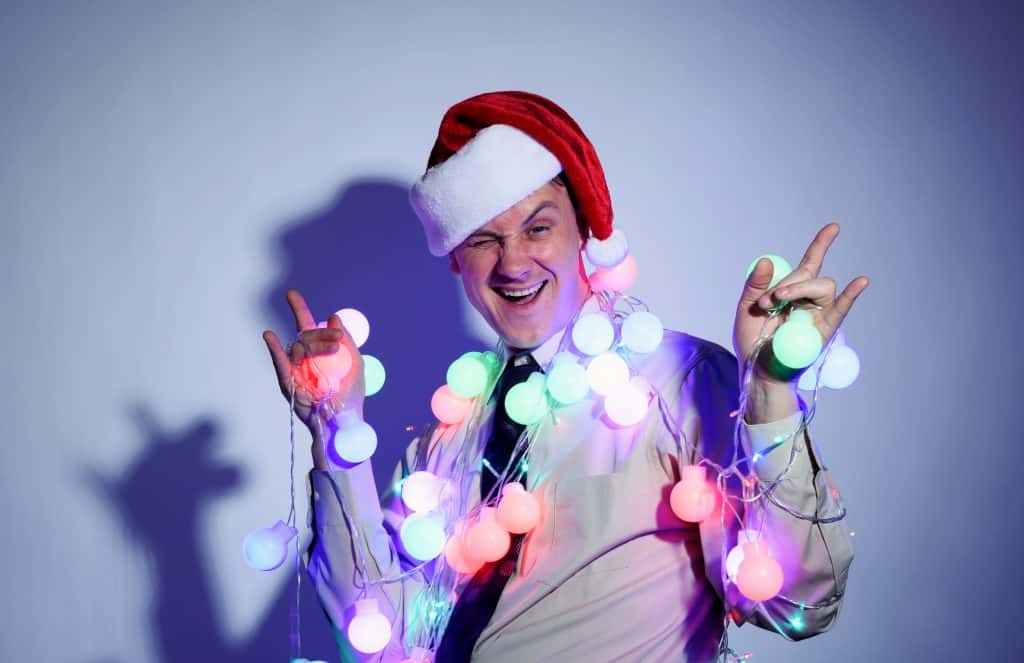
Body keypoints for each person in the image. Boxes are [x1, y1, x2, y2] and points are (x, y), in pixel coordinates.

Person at [262, 91, 869, 662]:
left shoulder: (678, 382)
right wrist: (336, 430)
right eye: (483, 239)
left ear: (585, 230)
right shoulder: (442, 442)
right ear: (455, 260)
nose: (513, 263)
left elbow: (801, 603)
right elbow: (378, 641)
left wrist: (769, 392)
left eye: (538, 227)